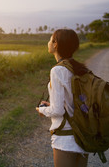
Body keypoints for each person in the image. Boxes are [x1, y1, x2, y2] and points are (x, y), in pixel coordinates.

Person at [36, 29, 89, 167]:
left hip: (66, 138)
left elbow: (58, 111)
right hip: (83, 135)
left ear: (55, 44)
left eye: (50, 39)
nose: (48, 43)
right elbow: (72, 101)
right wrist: (51, 104)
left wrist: (42, 110)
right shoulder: (79, 68)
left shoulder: (57, 70)